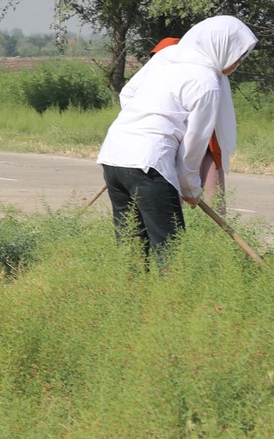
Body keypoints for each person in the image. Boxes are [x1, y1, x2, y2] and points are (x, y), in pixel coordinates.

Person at [95, 15, 258, 263]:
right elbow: (194, 144)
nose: (239, 62)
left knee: (132, 243)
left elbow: (128, 93)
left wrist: (143, 125)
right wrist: (191, 188)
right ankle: (170, 300)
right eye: (239, 54)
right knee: (169, 250)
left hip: (114, 153)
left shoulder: (167, 56)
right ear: (222, 47)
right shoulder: (206, 82)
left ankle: (131, 295)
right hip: (149, 163)